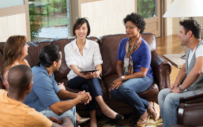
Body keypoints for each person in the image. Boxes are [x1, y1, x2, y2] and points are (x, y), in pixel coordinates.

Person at [64, 18, 124, 127]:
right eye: (78, 28)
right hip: (74, 79)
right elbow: (75, 69)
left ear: (87, 30)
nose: (81, 31)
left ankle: (93, 120)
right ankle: (104, 107)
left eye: (83, 28)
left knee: (88, 86)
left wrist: (98, 72)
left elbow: (98, 65)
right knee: (89, 79)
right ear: (74, 31)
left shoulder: (93, 45)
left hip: (92, 78)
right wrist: (85, 76)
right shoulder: (68, 47)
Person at [109, 13, 160, 126]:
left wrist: (123, 78)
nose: (127, 30)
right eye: (126, 27)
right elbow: (119, 65)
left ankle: (142, 113)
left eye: (131, 27)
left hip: (145, 77)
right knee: (113, 91)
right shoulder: (123, 43)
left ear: (139, 28)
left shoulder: (144, 47)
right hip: (128, 76)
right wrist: (121, 78)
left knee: (125, 88)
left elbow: (143, 72)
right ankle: (148, 105)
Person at [24, 44, 92, 127]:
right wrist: (78, 100)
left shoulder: (47, 70)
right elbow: (58, 109)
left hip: (42, 105)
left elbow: (59, 92)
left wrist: (77, 95)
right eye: (60, 59)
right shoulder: (41, 77)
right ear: (54, 63)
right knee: (68, 114)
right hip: (33, 111)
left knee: (71, 105)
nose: (61, 62)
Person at [158, 19, 203, 127]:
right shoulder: (190, 49)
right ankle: (167, 125)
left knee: (170, 99)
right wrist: (176, 84)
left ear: (189, 34)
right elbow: (184, 69)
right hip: (190, 89)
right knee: (162, 94)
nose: (178, 36)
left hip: (199, 92)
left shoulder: (201, 48)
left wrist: (181, 88)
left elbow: (197, 70)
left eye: (181, 32)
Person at [0, 65, 74, 127]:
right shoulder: (30, 115)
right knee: (68, 116)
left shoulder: (1, 93)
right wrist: (66, 119)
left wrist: (45, 120)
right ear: (29, 86)